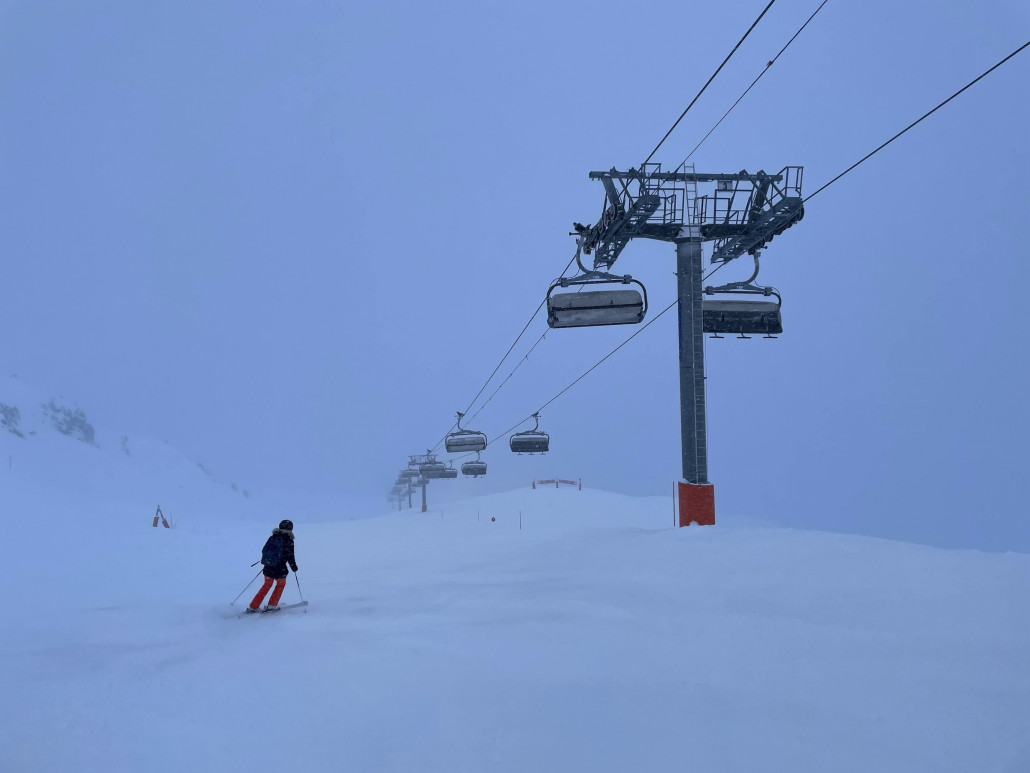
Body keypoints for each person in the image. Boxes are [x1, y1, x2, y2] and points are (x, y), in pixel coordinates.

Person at [246, 519, 299, 613]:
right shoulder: (288, 540)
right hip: (280, 569)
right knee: (280, 584)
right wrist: (294, 567)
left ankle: (253, 606)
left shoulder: (273, 537)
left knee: (266, 585)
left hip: (268, 567)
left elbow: (264, 550)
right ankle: (272, 605)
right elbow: (290, 556)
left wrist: (269, 560)